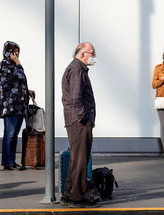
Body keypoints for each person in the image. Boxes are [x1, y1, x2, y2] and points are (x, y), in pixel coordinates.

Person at [60, 42, 97, 208]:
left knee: (76, 159)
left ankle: (68, 194)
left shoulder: (76, 68)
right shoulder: (77, 69)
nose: (94, 57)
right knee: (81, 159)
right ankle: (77, 196)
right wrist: (84, 118)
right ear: (83, 54)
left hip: (75, 120)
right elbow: (76, 99)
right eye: (92, 54)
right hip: (79, 122)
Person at [0, 41, 35, 170]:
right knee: (10, 134)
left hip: (19, 105)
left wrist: (27, 90)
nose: (17, 54)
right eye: (14, 51)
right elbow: (9, 81)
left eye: (18, 51)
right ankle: (7, 162)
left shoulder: (14, 65)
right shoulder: (4, 65)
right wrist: (18, 64)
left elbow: (19, 81)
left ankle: (11, 161)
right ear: (9, 51)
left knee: (14, 134)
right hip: (10, 106)